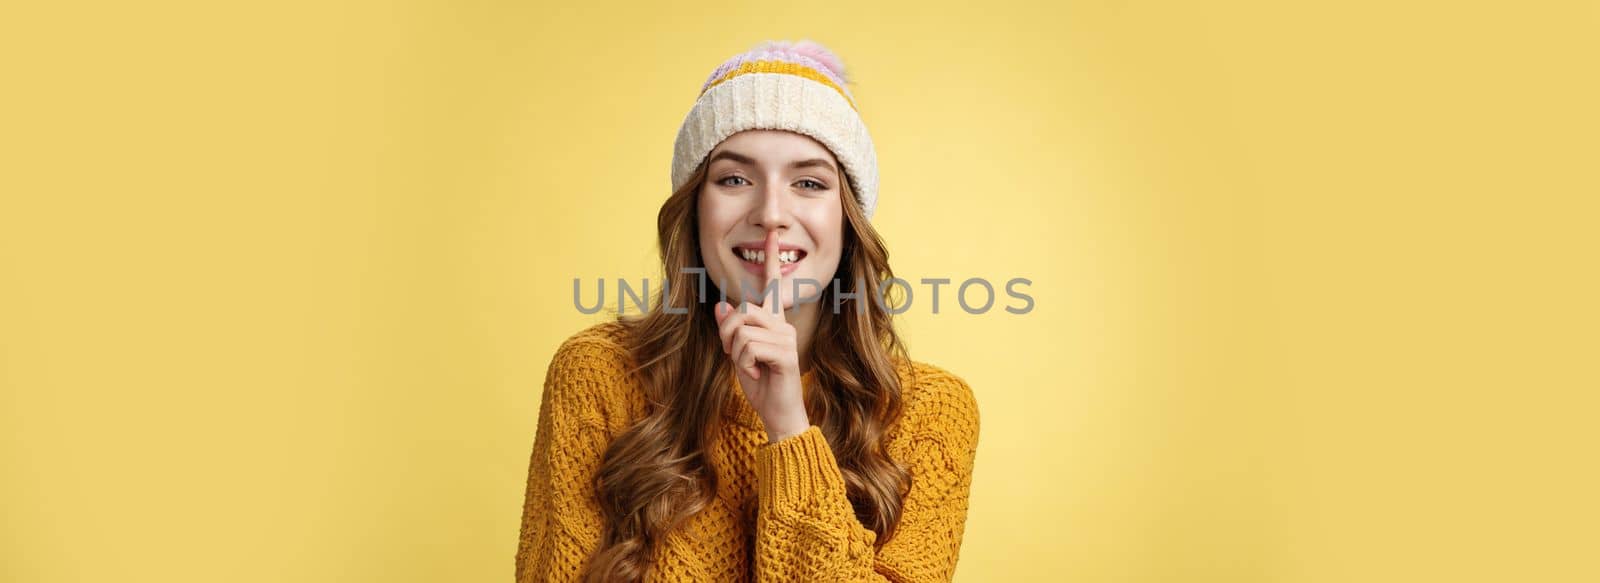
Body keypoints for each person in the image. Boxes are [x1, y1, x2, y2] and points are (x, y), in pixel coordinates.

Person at [516, 39, 981, 582]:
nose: (772, 214)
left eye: (809, 183)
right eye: (735, 179)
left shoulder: (932, 415)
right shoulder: (598, 376)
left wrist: (788, 427)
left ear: (847, 220)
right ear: (695, 209)